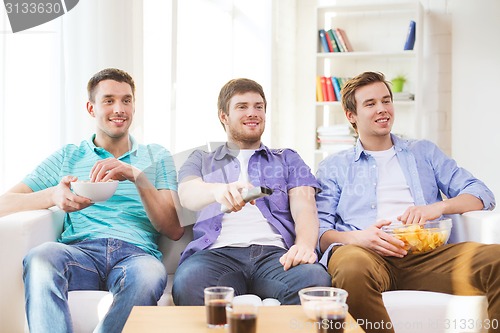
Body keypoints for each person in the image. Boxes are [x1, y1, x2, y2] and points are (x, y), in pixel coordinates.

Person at [0, 68, 184, 333]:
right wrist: (52, 195)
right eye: (109, 100)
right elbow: (4, 202)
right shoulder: (69, 156)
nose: (119, 109)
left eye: (127, 100)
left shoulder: (156, 156)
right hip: (80, 251)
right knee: (40, 257)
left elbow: (174, 229)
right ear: (91, 108)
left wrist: (137, 177)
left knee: (148, 275)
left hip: (136, 255)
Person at [316, 71, 499, 333]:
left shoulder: (423, 152)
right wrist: (359, 238)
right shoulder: (334, 166)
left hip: (427, 255)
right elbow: (321, 234)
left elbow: (482, 193)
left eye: (386, 100)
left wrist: (438, 207)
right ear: (351, 116)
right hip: (365, 255)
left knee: (497, 259)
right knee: (351, 269)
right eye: (370, 104)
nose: (382, 109)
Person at [172, 78, 331, 305]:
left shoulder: (287, 158)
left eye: (258, 106)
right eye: (242, 107)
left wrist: (304, 245)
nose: (253, 113)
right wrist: (218, 191)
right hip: (216, 254)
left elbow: (305, 207)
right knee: (189, 282)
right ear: (223, 116)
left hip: (275, 255)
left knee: (315, 279)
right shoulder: (201, 159)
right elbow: (188, 193)